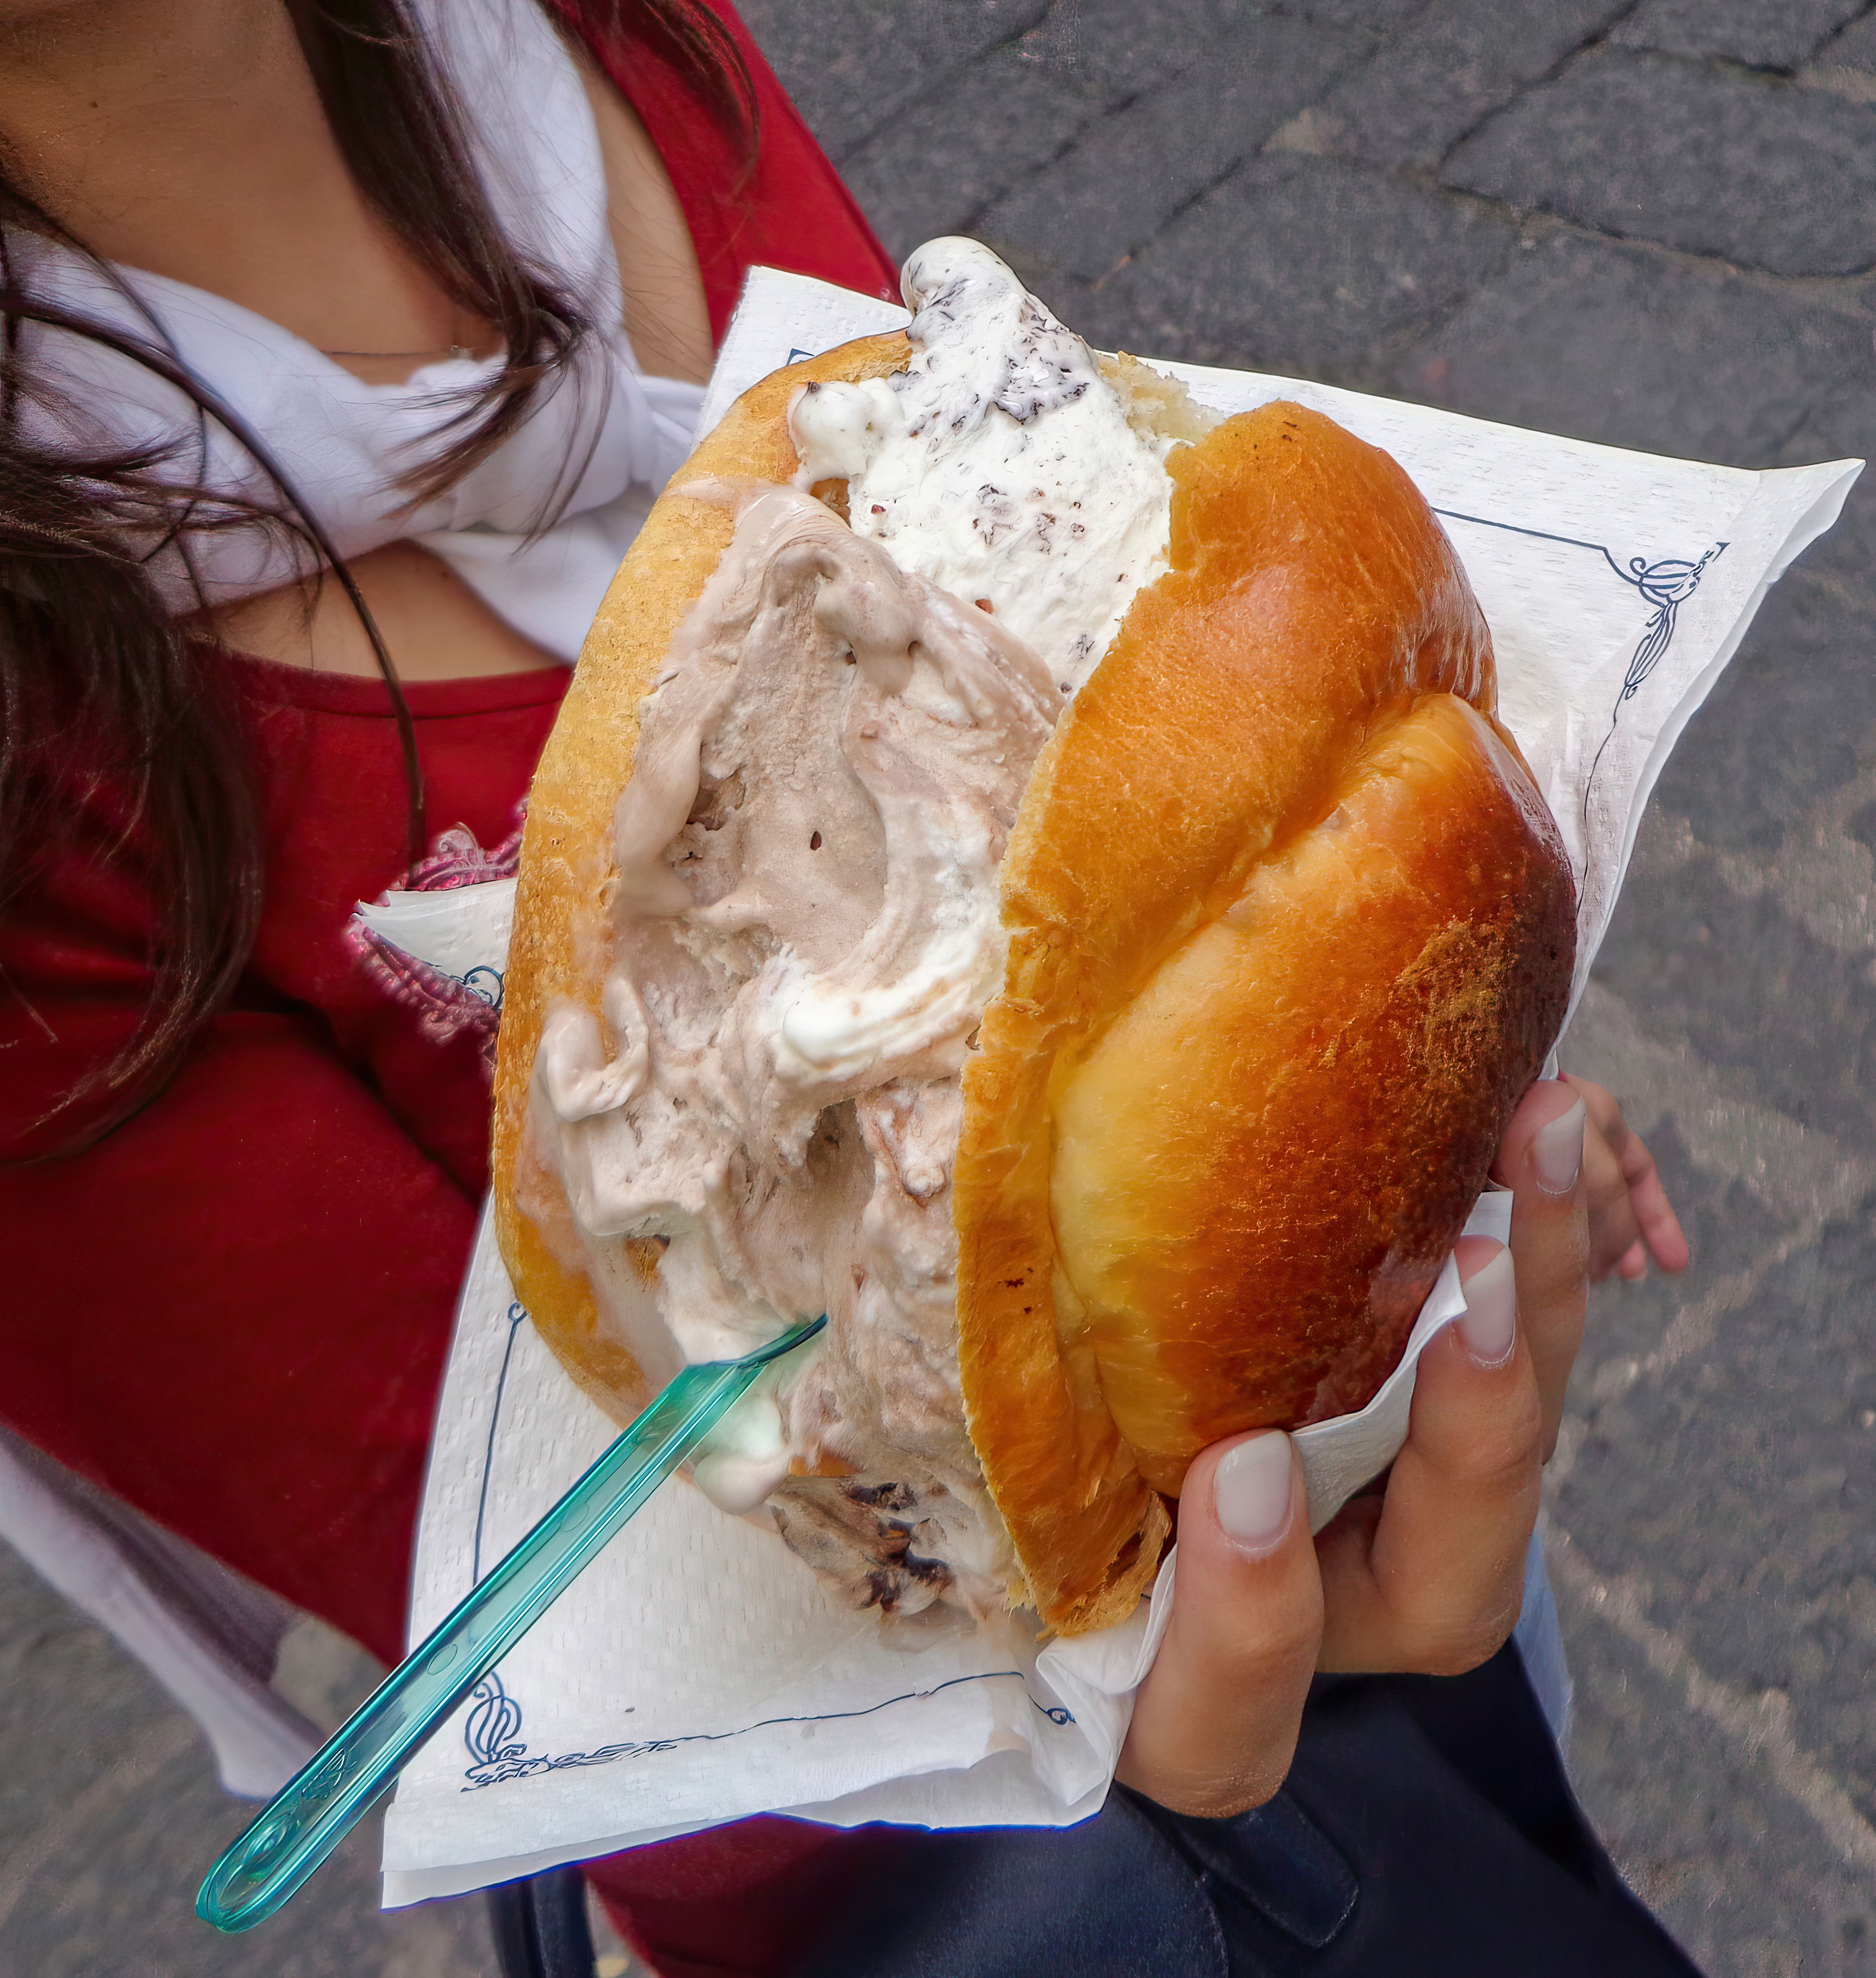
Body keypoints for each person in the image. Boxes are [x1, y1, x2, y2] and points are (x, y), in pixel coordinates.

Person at [0, 1, 1691, 1970]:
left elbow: (1108, 739)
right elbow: (614, 1638)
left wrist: (1421, 1090)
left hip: (1337, 1388)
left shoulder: (604, 38)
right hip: (938, 1870)